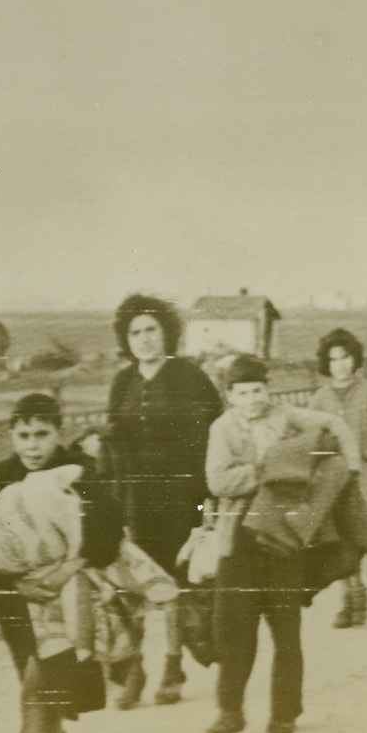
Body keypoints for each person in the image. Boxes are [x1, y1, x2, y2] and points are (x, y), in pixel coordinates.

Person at [204, 355, 361, 733]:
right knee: (235, 628)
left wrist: (352, 465)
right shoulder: (222, 429)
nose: (253, 399)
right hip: (238, 538)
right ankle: (230, 712)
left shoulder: (286, 415)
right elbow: (217, 481)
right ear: (230, 395)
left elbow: (333, 424)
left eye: (258, 390)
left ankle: (285, 712)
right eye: (243, 393)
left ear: (267, 388)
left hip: (284, 535)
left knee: (285, 627)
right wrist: (266, 470)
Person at [0, 393, 121, 733]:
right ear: (11, 436)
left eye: (42, 434)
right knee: (40, 687)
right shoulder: (1, 477)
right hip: (18, 599)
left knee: (36, 688)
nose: (32, 445)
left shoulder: (80, 474)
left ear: (58, 433)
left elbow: (107, 536)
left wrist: (64, 574)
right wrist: (17, 583)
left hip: (69, 597)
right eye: (23, 435)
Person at [105, 294, 224, 707]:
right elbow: (113, 444)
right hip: (136, 498)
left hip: (182, 496)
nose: (144, 339)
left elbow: (215, 439)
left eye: (151, 329)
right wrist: (111, 500)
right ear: (126, 338)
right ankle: (134, 667)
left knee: (175, 583)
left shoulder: (189, 377)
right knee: (134, 585)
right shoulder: (123, 382)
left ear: (166, 333)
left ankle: (173, 665)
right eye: (135, 332)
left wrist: (209, 499)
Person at [309, 328, 367, 627]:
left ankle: (353, 597)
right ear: (327, 364)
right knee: (339, 538)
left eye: (345, 357)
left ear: (354, 358)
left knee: (359, 535)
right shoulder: (319, 399)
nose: (341, 365)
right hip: (334, 478)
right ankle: (353, 593)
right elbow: (311, 439)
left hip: (366, 474)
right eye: (334, 360)